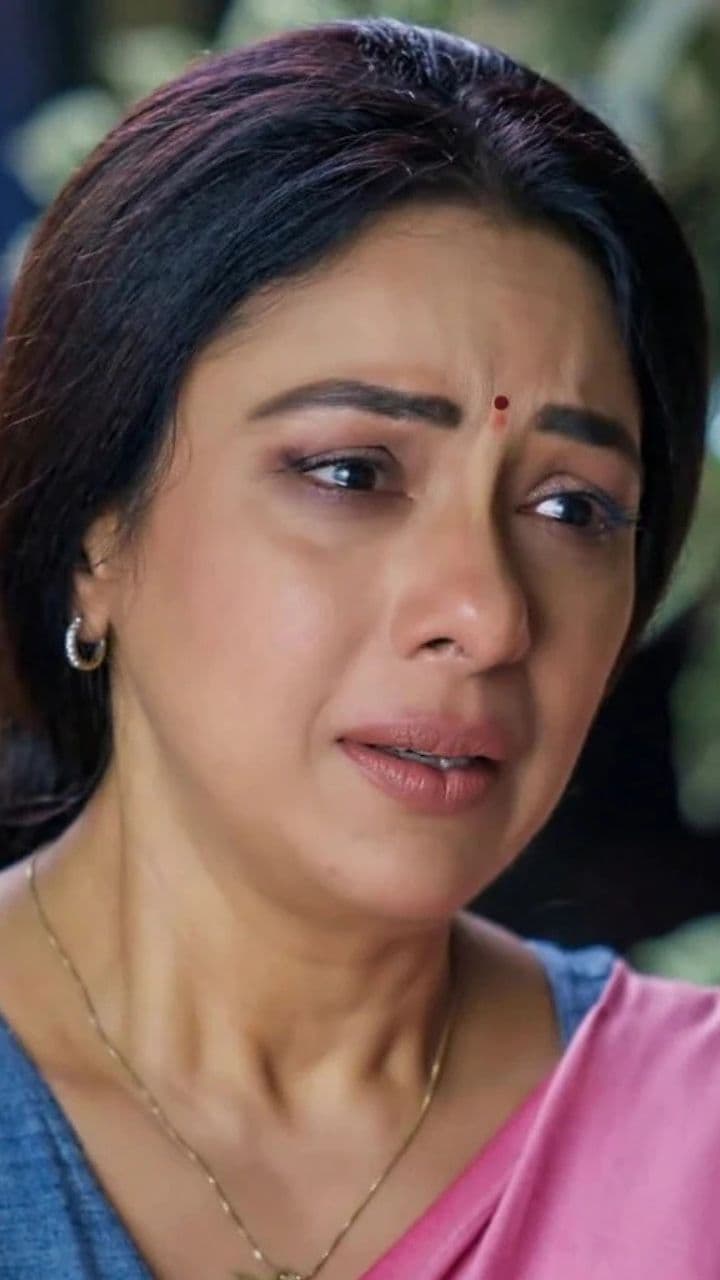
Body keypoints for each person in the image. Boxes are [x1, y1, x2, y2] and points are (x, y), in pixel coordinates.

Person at [0, 15, 713, 1280]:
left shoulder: (691, 1145)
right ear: (97, 527)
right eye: (350, 471)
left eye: (572, 508)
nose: (489, 616)